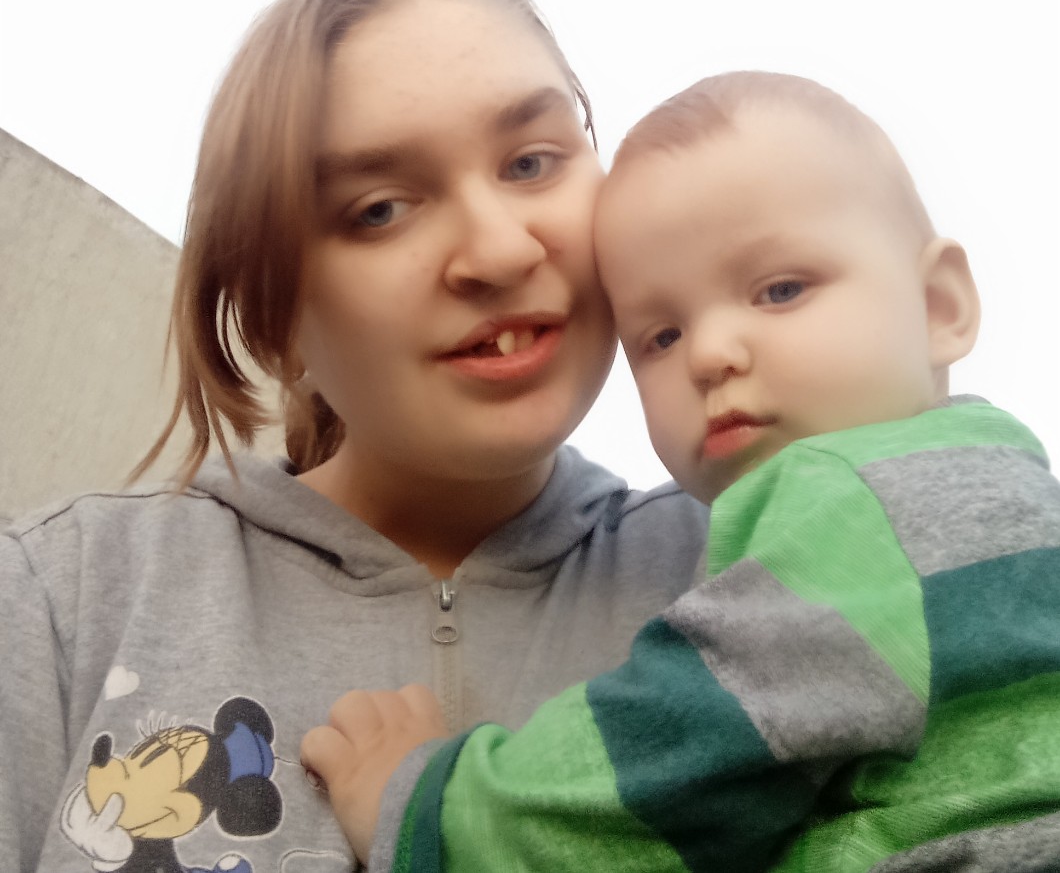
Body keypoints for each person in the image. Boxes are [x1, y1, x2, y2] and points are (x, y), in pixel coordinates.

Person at [0, 0, 709, 873]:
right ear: (274, 315)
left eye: (532, 161)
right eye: (379, 208)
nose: (499, 249)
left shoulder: (756, 571)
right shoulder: (60, 597)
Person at [303, 71, 1060, 872]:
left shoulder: (856, 508)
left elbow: (665, 771)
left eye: (780, 289)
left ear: (940, 305)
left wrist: (430, 804)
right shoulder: (1000, 482)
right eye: (660, 336)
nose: (709, 354)